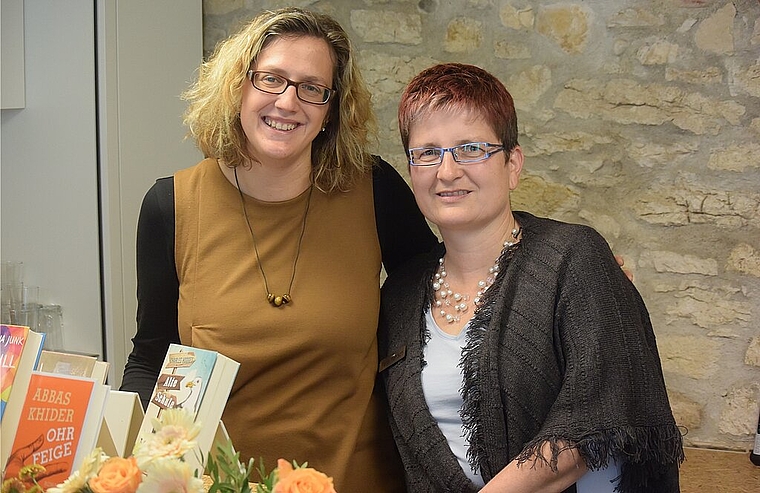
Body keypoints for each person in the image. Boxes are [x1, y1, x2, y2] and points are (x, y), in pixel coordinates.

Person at [119, 8, 438, 492]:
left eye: (312, 88)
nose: (288, 102)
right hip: (220, 483)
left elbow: (439, 315)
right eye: (271, 79)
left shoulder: (374, 191)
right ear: (237, 87)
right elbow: (151, 357)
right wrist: (130, 471)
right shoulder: (171, 206)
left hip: (356, 480)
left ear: (331, 108)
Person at [378, 63, 684, 493]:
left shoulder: (573, 258)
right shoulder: (400, 293)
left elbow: (597, 416)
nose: (446, 171)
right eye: (427, 152)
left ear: (513, 164)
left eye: (470, 149)